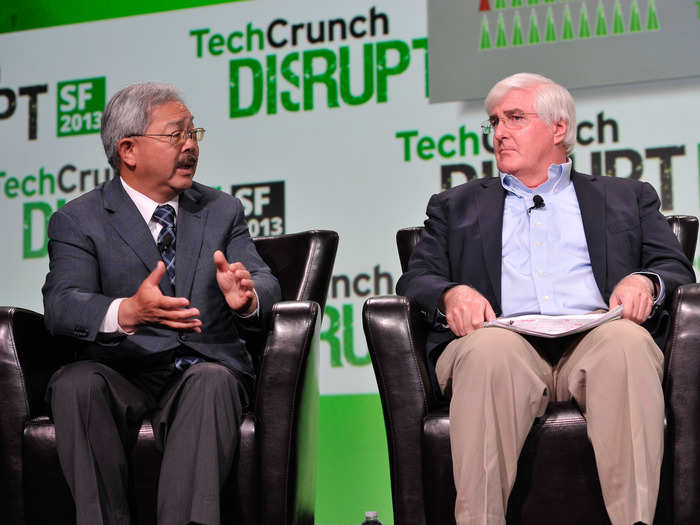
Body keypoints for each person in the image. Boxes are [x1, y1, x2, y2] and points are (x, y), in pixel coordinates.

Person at [396, 73, 695, 525]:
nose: (499, 133)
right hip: (501, 339)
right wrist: (451, 292)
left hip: (597, 335)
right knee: (488, 352)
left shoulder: (626, 197)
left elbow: (675, 270)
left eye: (515, 118)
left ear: (559, 129)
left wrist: (645, 282)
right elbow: (416, 279)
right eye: (493, 122)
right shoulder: (455, 206)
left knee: (627, 346)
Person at [42, 82, 281, 525]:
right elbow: (62, 304)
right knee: (75, 383)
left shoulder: (221, 210)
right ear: (128, 149)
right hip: (121, 372)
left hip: (200, 368)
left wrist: (246, 298)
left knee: (212, 381)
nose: (191, 145)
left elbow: (265, 282)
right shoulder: (79, 220)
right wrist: (126, 313)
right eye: (176, 135)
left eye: (194, 134)